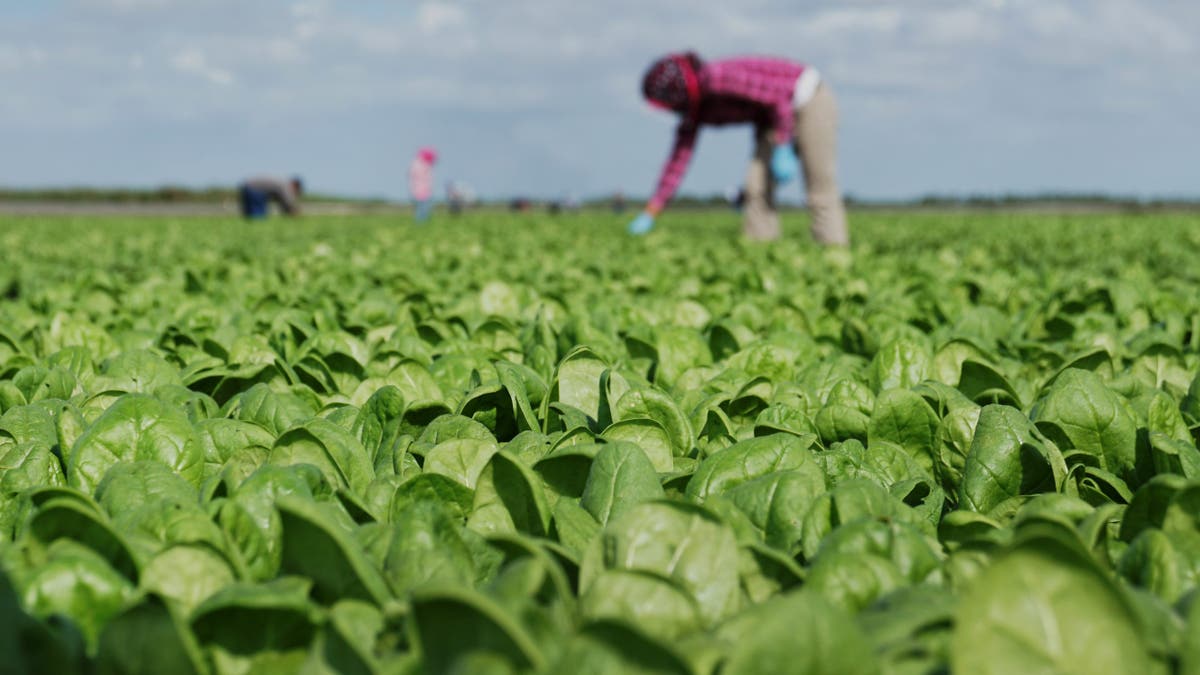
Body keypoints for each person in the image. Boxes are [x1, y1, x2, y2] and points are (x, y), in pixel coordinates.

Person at [629, 52, 848, 245]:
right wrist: (652, 210)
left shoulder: (717, 78)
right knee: (756, 187)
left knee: (819, 186)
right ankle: (762, 249)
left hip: (807, 98)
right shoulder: (694, 112)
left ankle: (833, 249)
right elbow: (678, 161)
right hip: (772, 120)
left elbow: (779, 98)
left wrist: (782, 144)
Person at [238, 176, 303, 219]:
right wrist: (295, 213)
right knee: (258, 217)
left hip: (247, 187)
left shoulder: (282, 183)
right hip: (255, 190)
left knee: (248, 215)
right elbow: (288, 203)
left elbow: (283, 204)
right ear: (295, 186)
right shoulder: (286, 186)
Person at [409, 147, 437, 222]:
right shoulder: (422, 166)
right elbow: (422, 180)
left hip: (419, 191)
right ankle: (420, 224)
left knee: (422, 210)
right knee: (422, 210)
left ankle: (421, 223)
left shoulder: (417, 164)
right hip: (422, 192)